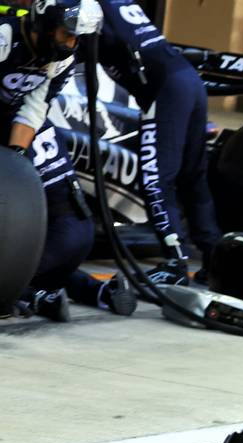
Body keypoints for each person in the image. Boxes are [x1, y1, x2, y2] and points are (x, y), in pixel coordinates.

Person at [1, 0, 134, 321]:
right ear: (44, 23)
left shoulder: (59, 58)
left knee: (74, 232)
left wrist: (16, 168)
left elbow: (33, 109)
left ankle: (33, 288)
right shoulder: (4, 36)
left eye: (78, 38)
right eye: (67, 34)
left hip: (18, 122)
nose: (71, 44)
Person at [95, 0, 222, 286]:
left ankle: (174, 261)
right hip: (186, 79)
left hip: (164, 88)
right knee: (192, 176)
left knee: (155, 178)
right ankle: (214, 257)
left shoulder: (83, 6)